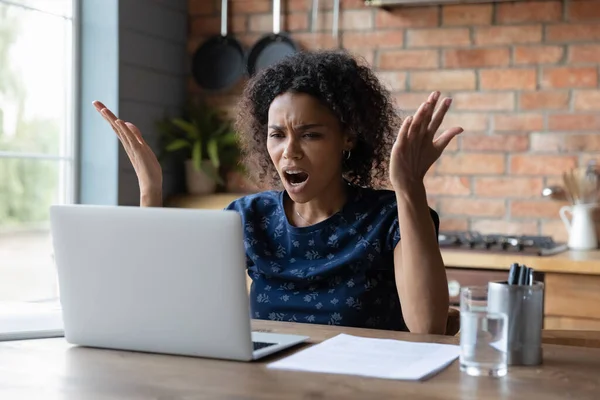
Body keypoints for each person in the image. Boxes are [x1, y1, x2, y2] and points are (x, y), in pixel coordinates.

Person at [93, 50, 463, 334]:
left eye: (310, 134)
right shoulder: (249, 217)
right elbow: (168, 304)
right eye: (277, 134)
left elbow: (427, 328)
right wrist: (150, 190)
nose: (290, 151)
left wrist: (410, 186)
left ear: (347, 137)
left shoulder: (391, 216)